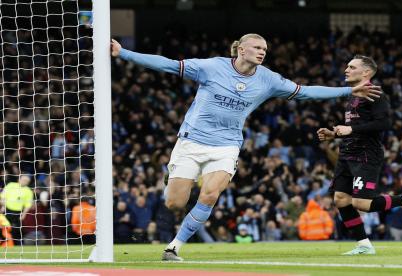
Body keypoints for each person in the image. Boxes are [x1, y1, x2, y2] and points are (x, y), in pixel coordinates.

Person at [111, 33, 382, 261]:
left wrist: (349, 90)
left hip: (227, 145)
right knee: (175, 202)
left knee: (209, 194)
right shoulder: (212, 67)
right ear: (241, 49)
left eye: (265, 49)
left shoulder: (268, 79)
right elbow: (167, 65)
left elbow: (306, 91)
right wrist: (124, 53)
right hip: (192, 141)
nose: (262, 52)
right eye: (257, 47)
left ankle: (174, 247)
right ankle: (175, 181)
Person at [317, 55, 402, 255]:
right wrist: (335, 134)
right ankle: (364, 245)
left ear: (366, 72)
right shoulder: (353, 95)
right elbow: (354, 126)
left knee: (362, 203)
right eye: (347, 66)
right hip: (347, 153)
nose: (346, 70)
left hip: (366, 155)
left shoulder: (376, 94)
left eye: (351, 67)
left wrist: (350, 131)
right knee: (341, 199)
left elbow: (384, 124)